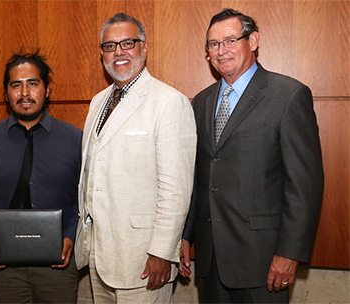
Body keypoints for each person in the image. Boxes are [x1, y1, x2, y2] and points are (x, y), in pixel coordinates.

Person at [180, 8, 324, 303]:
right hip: (210, 261)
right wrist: (185, 235)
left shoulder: (288, 95)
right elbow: (198, 178)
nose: (221, 51)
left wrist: (289, 253)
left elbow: (304, 186)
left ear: (253, 40)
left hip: (264, 261)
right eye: (213, 44)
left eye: (230, 40)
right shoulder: (201, 102)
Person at [74, 13, 197, 304]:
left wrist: (161, 252)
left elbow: (175, 190)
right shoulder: (97, 102)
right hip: (100, 255)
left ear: (144, 48)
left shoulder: (169, 102)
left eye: (127, 43)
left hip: (143, 259)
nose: (118, 52)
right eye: (109, 46)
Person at [0, 50, 82, 303]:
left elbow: (83, 197)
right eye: (16, 85)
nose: (24, 93)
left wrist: (70, 235)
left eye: (32, 83)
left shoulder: (74, 139)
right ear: (6, 93)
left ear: (47, 89)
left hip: (59, 264)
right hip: (5, 267)